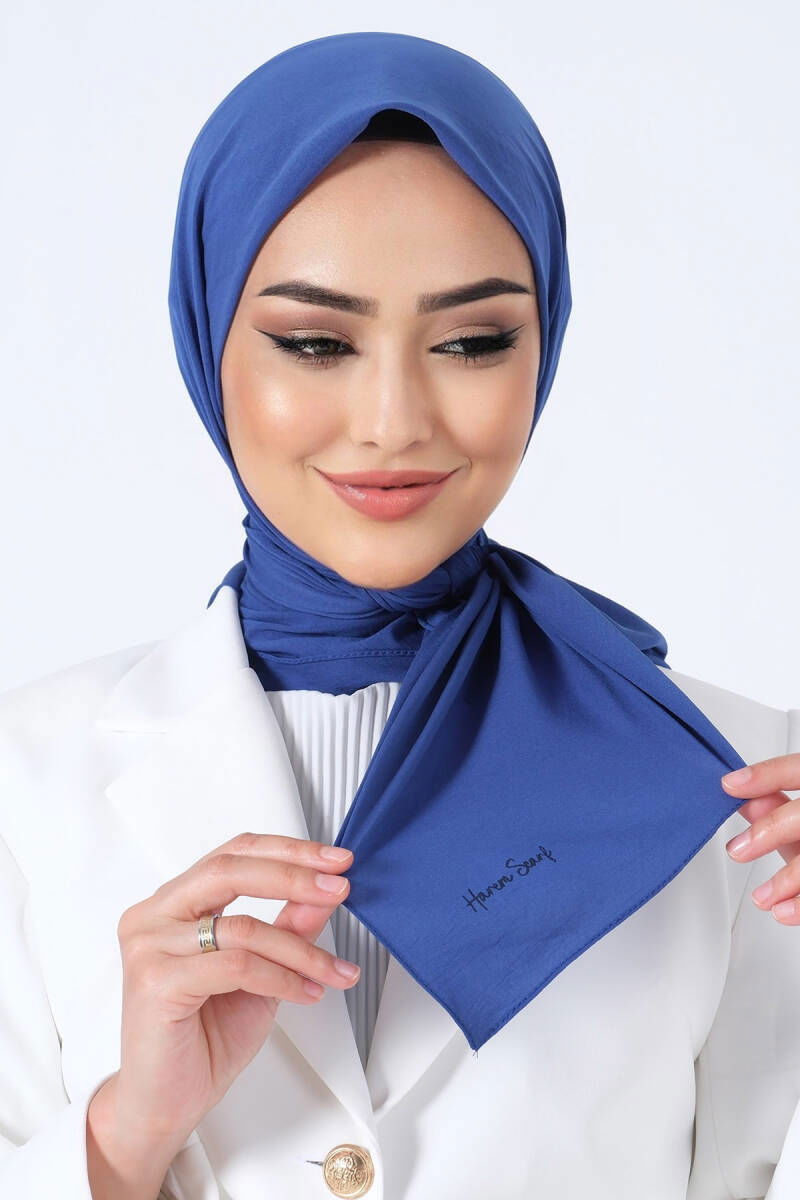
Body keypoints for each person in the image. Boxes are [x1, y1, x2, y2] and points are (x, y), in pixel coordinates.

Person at [1, 30, 799, 1200]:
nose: (391, 420)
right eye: (314, 343)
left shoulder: (739, 787)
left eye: (472, 342)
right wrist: (125, 1133)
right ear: (206, 336)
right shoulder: (24, 783)